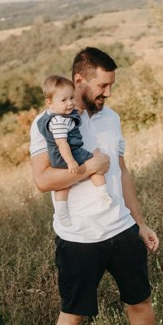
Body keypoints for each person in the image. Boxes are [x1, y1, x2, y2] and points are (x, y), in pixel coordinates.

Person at [30, 46, 163, 325]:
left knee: (140, 299)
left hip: (120, 228)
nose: (107, 93)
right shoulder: (46, 122)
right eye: (102, 86)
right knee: (73, 313)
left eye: (111, 86)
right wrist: (90, 168)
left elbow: (121, 171)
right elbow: (43, 180)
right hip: (79, 237)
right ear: (79, 80)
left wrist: (140, 223)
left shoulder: (111, 118)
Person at [38, 74, 112, 227]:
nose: (70, 103)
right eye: (64, 100)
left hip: (59, 156)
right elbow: (62, 143)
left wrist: (75, 112)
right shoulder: (58, 121)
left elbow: (71, 114)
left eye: (72, 98)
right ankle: (103, 194)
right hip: (69, 152)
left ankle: (62, 212)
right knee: (96, 165)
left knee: (62, 186)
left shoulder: (58, 115)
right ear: (49, 103)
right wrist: (71, 161)